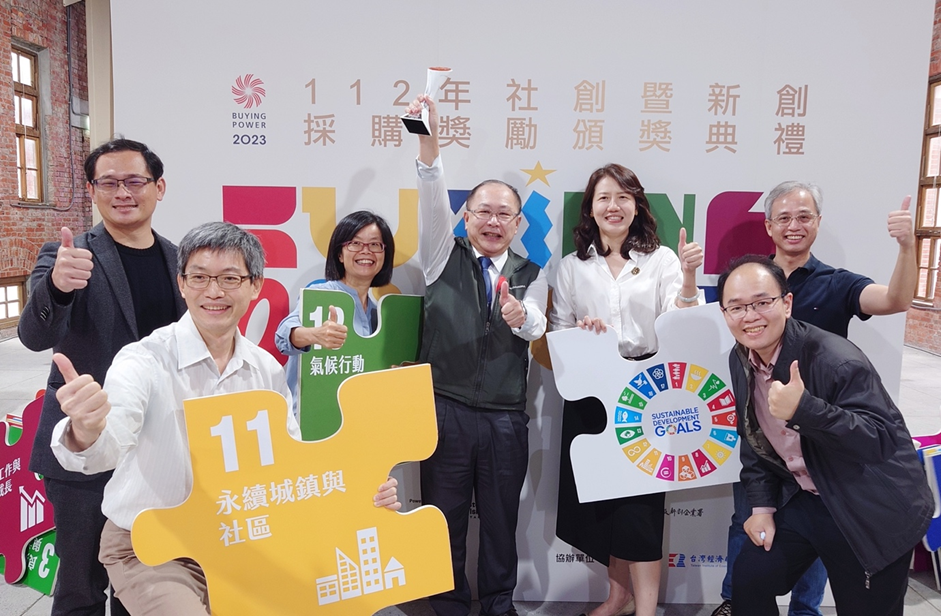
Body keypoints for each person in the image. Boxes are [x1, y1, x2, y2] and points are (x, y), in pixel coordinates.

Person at [47, 222, 400, 615]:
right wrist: (86, 430)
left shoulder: (266, 370)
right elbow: (108, 446)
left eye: (230, 278)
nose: (213, 292)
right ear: (182, 284)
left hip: (238, 537)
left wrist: (363, 490)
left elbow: (293, 466)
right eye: (199, 277)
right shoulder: (143, 360)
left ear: (255, 285)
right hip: (152, 545)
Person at [713, 181, 916, 616]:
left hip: (865, 498)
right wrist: (762, 507)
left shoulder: (838, 357)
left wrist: (804, 410)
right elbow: (754, 439)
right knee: (749, 577)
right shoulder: (741, 356)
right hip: (805, 489)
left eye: (762, 303)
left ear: (786, 303)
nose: (751, 316)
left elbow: (880, 441)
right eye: (738, 307)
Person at [18, 138, 184, 616]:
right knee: (80, 588)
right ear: (92, 190)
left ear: (159, 187)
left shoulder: (180, 261)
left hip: (156, 448)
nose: (122, 192)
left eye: (134, 181)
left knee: (143, 585)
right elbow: (33, 335)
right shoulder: (67, 256)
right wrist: (56, 288)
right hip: (83, 443)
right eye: (108, 182)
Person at [407, 94, 548, 616]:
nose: (492, 221)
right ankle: (446, 604)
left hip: (506, 418)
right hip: (443, 409)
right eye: (482, 211)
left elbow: (537, 324)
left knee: (500, 519)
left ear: (518, 224)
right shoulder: (441, 254)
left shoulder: (532, 274)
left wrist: (519, 317)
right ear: (465, 217)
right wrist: (428, 137)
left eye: (503, 214)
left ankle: (497, 603)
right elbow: (429, 187)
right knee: (442, 517)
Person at [550, 164, 704, 616]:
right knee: (602, 505)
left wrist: (689, 277)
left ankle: (646, 610)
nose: (613, 206)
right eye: (603, 198)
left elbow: (683, 323)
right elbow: (557, 335)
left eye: (623, 197)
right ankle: (618, 597)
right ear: (590, 209)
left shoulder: (663, 260)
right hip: (591, 394)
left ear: (637, 205)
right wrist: (583, 334)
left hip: (646, 392)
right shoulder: (572, 266)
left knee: (641, 508)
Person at [275, 210, 395, 411]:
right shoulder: (320, 295)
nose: (366, 251)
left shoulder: (379, 313)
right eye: (355, 243)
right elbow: (283, 337)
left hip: (358, 416)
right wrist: (315, 335)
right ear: (340, 254)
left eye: (375, 244)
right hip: (313, 417)